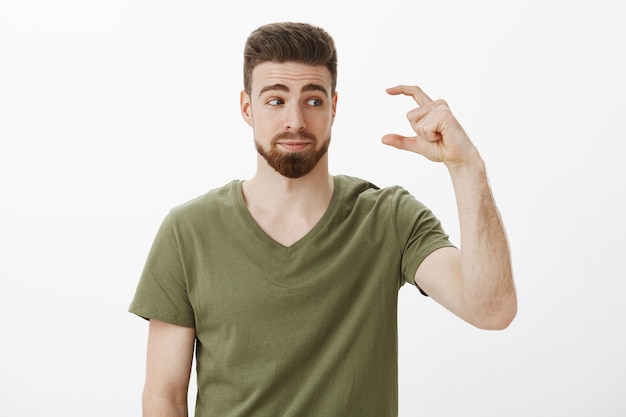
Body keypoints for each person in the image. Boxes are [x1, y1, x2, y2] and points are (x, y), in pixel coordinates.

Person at [129, 21, 517, 417]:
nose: (295, 120)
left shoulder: (389, 219)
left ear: (334, 106)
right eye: (276, 101)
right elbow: (164, 395)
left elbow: (491, 309)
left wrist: (467, 166)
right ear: (248, 108)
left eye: (312, 100)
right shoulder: (188, 231)